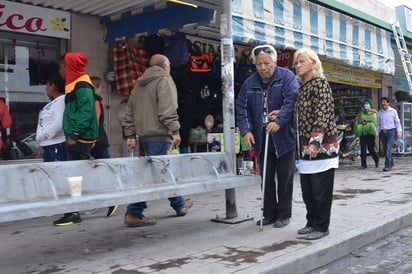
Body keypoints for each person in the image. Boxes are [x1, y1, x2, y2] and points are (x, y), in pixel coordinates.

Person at [122, 54, 193, 227]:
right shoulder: (164, 80)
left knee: (157, 172)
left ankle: (179, 204)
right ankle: (134, 212)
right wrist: (175, 130)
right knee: (156, 174)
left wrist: (131, 134)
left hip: (143, 137)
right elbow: (167, 109)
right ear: (166, 66)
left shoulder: (139, 84)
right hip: (159, 135)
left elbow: (129, 111)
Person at [235, 44, 299, 228]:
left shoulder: (286, 77)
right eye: (259, 64)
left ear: (275, 61)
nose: (263, 67)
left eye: (266, 63)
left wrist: (279, 121)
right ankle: (269, 213)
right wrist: (246, 130)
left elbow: (291, 101)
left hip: (284, 138)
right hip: (262, 139)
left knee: (285, 178)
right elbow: (242, 108)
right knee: (266, 177)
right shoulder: (250, 83)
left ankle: (284, 214)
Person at [294, 48, 339, 240]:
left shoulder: (321, 85)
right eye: (296, 62)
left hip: (322, 148)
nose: (297, 65)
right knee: (308, 192)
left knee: (321, 192)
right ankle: (311, 222)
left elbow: (322, 113)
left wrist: (315, 141)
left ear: (313, 63)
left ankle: (322, 227)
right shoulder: (303, 87)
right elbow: (302, 115)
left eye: (301, 61)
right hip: (306, 150)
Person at [53, 52, 99, 226]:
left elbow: (86, 113)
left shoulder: (82, 85)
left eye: (60, 68)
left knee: (75, 176)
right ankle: (78, 209)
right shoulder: (75, 85)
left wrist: (74, 135)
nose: (59, 72)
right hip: (78, 137)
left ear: (68, 67)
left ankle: (73, 212)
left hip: (81, 139)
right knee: (77, 175)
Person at [90, 76, 118, 217]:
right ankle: (112, 199)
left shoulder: (92, 101)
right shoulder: (95, 100)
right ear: (97, 87)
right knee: (106, 168)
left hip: (95, 140)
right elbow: (96, 120)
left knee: (104, 169)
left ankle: (112, 199)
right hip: (98, 139)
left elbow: (95, 120)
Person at [35, 73, 67, 162]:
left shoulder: (61, 101)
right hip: (51, 146)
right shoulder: (56, 102)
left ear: (52, 85)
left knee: (56, 173)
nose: (46, 89)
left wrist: (44, 135)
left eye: (47, 86)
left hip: (56, 145)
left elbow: (59, 123)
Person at [376, 97, 402, 172]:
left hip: (391, 132)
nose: (383, 103)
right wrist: (377, 133)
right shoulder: (380, 112)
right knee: (386, 149)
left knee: (388, 148)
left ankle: (387, 165)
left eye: (384, 102)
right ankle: (391, 161)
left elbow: (397, 122)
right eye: (382, 102)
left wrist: (399, 132)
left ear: (388, 103)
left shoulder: (393, 111)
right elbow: (378, 124)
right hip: (383, 133)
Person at [354, 98, 379, 169]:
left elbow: (373, 120)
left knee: (371, 148)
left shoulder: (374, 112)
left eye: (367, 103)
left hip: (370, 133)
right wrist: (358, 121)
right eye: (365, 104)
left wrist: (365, 121)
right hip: (362, 132)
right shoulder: (361, 112)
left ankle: (376, 158)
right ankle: (363, 164)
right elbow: (358, 120)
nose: (366, 105)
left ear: (370, 104)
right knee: (363, 149)